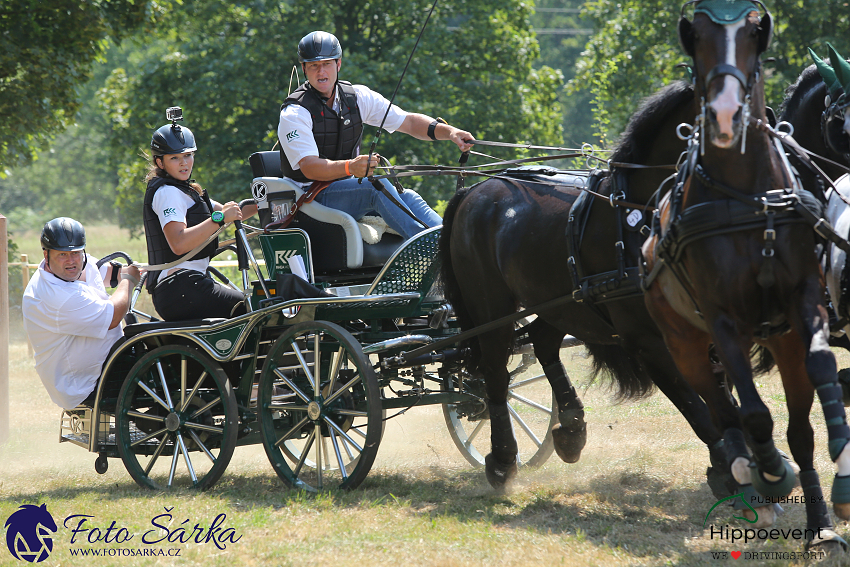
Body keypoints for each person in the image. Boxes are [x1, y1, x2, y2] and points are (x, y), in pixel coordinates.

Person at [277, 31, 475, 240]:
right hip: (309, 199)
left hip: (346, 191)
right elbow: (309, 167)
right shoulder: (295, 113)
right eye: (314, 65)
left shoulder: (358, 97)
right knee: (376, 188)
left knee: (408, 197)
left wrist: (450, 132)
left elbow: (408, 122)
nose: (321, 71)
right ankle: (434, 248)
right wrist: (350, 167)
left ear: (338, 64)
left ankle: (453, 244)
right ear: (304, 69)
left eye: (326, 63)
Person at [142, 108, 258, 321]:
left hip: (188, 284)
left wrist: (267, 202)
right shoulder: (167, 193)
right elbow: (179, 242)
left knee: (252, 307)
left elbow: (234, 212)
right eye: (175, 158)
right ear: (160, 162)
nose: (184, 163)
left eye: (188, 156)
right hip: (179, 287)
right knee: (253, 308)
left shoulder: (187, 191)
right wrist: (220, 218)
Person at [22, 218, 143, 409]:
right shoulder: (57, 296)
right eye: (63, 254)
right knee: (168, 367)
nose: (71, 261)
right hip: (86, 384)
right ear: (46, 254)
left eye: (76, 253)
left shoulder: (66, 267)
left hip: (105, 365)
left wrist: (144, 271)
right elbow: (113, 316)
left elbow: (107, 273)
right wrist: (128, 280)